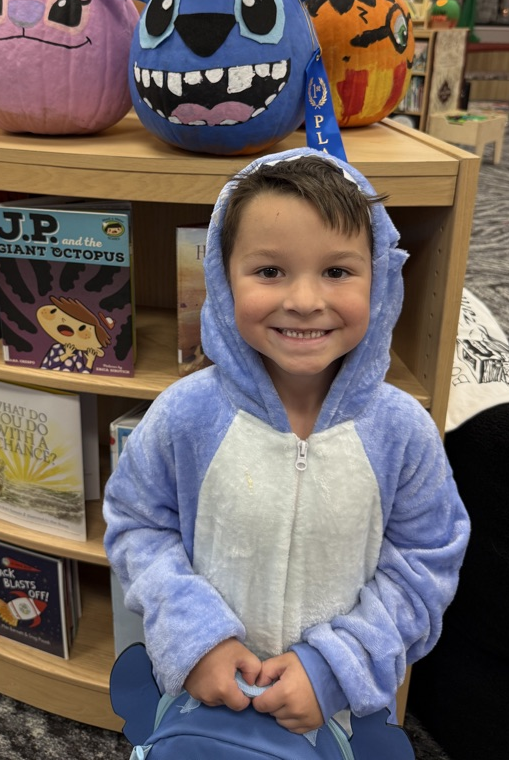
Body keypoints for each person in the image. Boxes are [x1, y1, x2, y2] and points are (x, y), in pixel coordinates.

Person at [103, 146, 470, 736]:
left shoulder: (403, 432)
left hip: (338, 712)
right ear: (223, 280)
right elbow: (137, 525)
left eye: (337, 271)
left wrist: (337, 666)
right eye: (270, 271)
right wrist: (196, 638)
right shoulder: (184, 415)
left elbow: (427, 561)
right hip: (206, 703)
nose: (304, 301)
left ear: (379, 280)